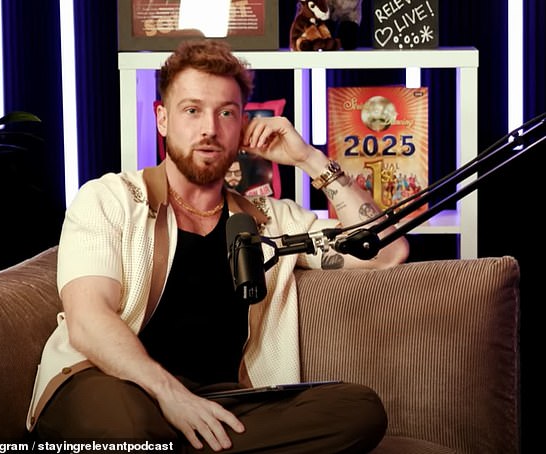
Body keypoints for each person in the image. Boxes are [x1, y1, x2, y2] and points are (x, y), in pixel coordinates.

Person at [27, 39, 409, 453]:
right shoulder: (111, 199)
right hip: (108, 381)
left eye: (226, 112)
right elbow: (88, 318)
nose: (209, 128)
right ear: (162, 119)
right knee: (130, 427)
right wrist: (171, 396)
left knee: (358, 408)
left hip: (221, 402)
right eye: (192, 110)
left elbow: (388, 252)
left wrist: (309, 159)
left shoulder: (271, 220)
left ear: (243, 125)